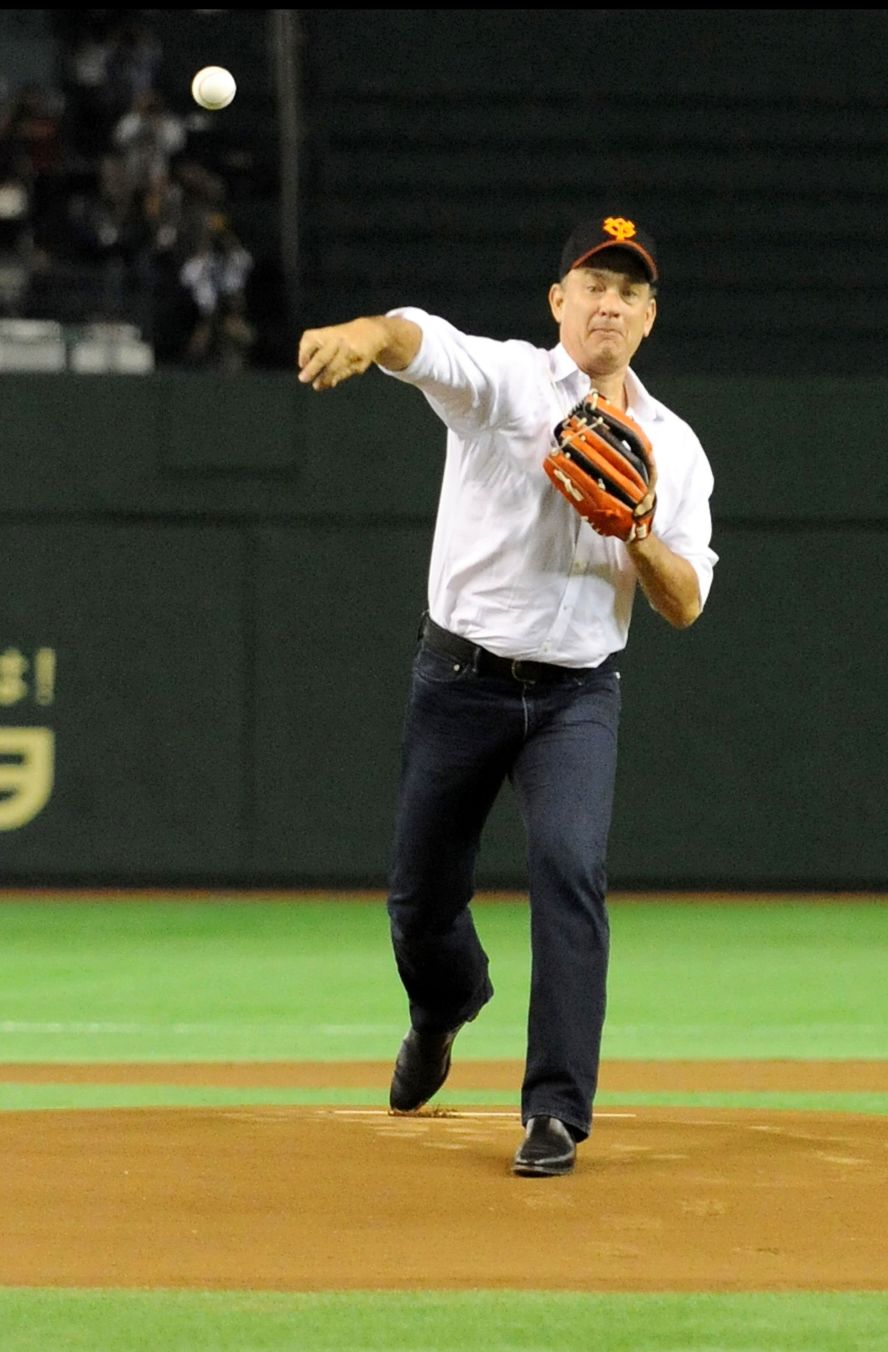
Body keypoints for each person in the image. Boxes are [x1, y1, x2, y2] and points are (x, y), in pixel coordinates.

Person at [296, 211, 718, 1177]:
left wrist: (638, 529)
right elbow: (419, 340)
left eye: (629, 291)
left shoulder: (675, 449)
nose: (609, 303)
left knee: (570, 869)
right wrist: (364, 338)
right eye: (593, 284)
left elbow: (686, 602)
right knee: (419, 900)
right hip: (458, 680)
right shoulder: (509, 383)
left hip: (576, 699)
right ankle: (443, 1009)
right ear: (558, 302)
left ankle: (556, 1111)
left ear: (649, 318)